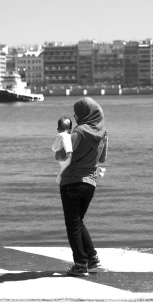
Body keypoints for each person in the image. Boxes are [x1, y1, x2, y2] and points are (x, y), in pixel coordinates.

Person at [56, 97, 108, 277]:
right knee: (78, 221)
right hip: (90, 184)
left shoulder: (78, 132)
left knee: (73, 225)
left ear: (85, 113)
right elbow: (102, 159)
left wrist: (61, 142)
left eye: (77, 112)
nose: (75, 115)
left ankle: (80, 264)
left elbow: (63, 156)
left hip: (72, 182)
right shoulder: (103, 133)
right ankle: (92, 259)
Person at [51, 117, 73, 184]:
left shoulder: (58, 136)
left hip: (59, 156)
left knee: (63, 167)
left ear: (58, 129)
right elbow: (67, 144)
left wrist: (56, 150)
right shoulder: (66, 136)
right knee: (65, 168)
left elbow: (53, 147)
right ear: (70, 130)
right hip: (66, 156)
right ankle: (59, 177)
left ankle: (59, 177)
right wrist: (68, 152)